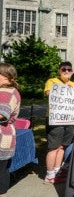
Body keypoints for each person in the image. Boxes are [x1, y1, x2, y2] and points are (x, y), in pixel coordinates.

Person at [43, 61, 74, 184]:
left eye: (69, 70)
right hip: (55, 119)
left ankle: (57, 172)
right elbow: (48, 94)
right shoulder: (52, 81)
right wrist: (65, 88)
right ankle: (49, 174)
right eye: (64, 69)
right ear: (59, 71)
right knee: (53, 147)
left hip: (69, 120)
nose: (66, 71)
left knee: (62, 146)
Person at [0, 63, 21, 196]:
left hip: (2, 136)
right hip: (4, 136)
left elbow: (2, 114)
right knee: (2, 171)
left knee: (1, 172)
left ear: (6, 76)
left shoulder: (7, 92)